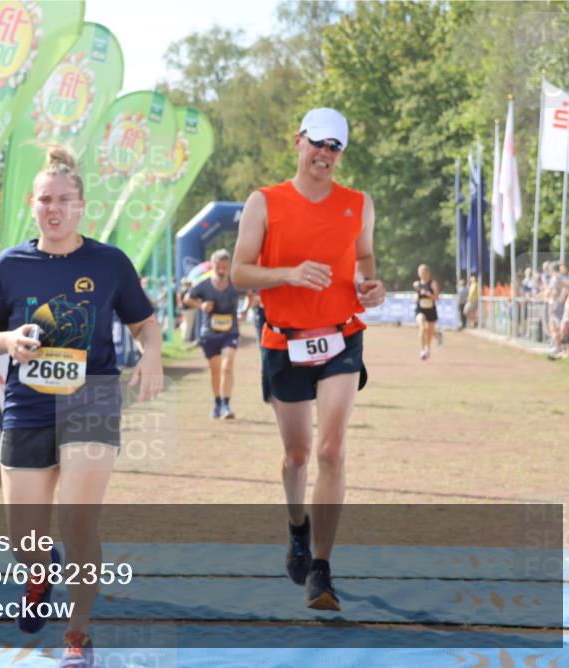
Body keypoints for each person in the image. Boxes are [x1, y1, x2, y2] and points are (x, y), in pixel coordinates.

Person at [0, 145, 163, 667]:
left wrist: (151, 354)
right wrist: (8, 339)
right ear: (31, 206)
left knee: (79, 522)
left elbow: (145, 323)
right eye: (44, 200)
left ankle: (77, 635)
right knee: (24, 540)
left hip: (93, 397)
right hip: (28, 405)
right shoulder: (11, 264)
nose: (53, 208)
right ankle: (40, 572)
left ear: (81, 206)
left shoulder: (109, 262)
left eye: (63, 199)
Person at [231, 107, 385, 611]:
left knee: (331, 452)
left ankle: (321, 567)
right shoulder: (265, 202)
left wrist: (369, 284)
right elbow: (239, 273)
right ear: (298, 141)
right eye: (317, 142)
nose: (324, 153)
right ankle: (298, 526)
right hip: (284, 340)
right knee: (297, 457)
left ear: (341, 154)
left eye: (334, 146)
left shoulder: (359, 204)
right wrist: (289, 274)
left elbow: (363, 258)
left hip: (342, 336)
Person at [184, 249, 245, 419]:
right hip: (209, 333)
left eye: (225, 266)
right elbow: (187, 299)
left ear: (229, 266)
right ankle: (217, 402)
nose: (222, 270)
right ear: (213, 266)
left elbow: (250, 294)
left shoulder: (235, 284)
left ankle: (226, 404)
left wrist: (246, 309)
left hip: (230, 332)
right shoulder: (203, 284)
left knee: (227, 366)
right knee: (215, 371)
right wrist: (201, 306)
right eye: (219, 266)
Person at [413, 264, 440, 360]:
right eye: (420, 273)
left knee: (429, 331)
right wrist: (415, 298)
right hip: (420, 309)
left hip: (431, 310)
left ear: (428, 273)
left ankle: (428, 348)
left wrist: (428, 294)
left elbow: (436, 298)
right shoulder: (417, 284)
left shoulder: (433, 283)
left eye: (423, 272)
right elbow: (415, 296)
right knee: (422, 327)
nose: (421, 275)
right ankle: (422, 349)